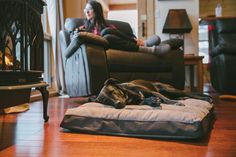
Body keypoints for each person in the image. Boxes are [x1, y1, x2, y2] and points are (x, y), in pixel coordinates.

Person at [72, 0, 171, 56]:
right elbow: (77, 36)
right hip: (101, 47)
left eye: (89, 9)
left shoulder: (107, 26)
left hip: (114, 42)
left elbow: (115, 32)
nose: (86, 12)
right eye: (85, 10)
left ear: (96, 11)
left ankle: (142, 43)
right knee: (106, 34)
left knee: (107, 33)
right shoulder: (84, 27)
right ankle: (147, 47)